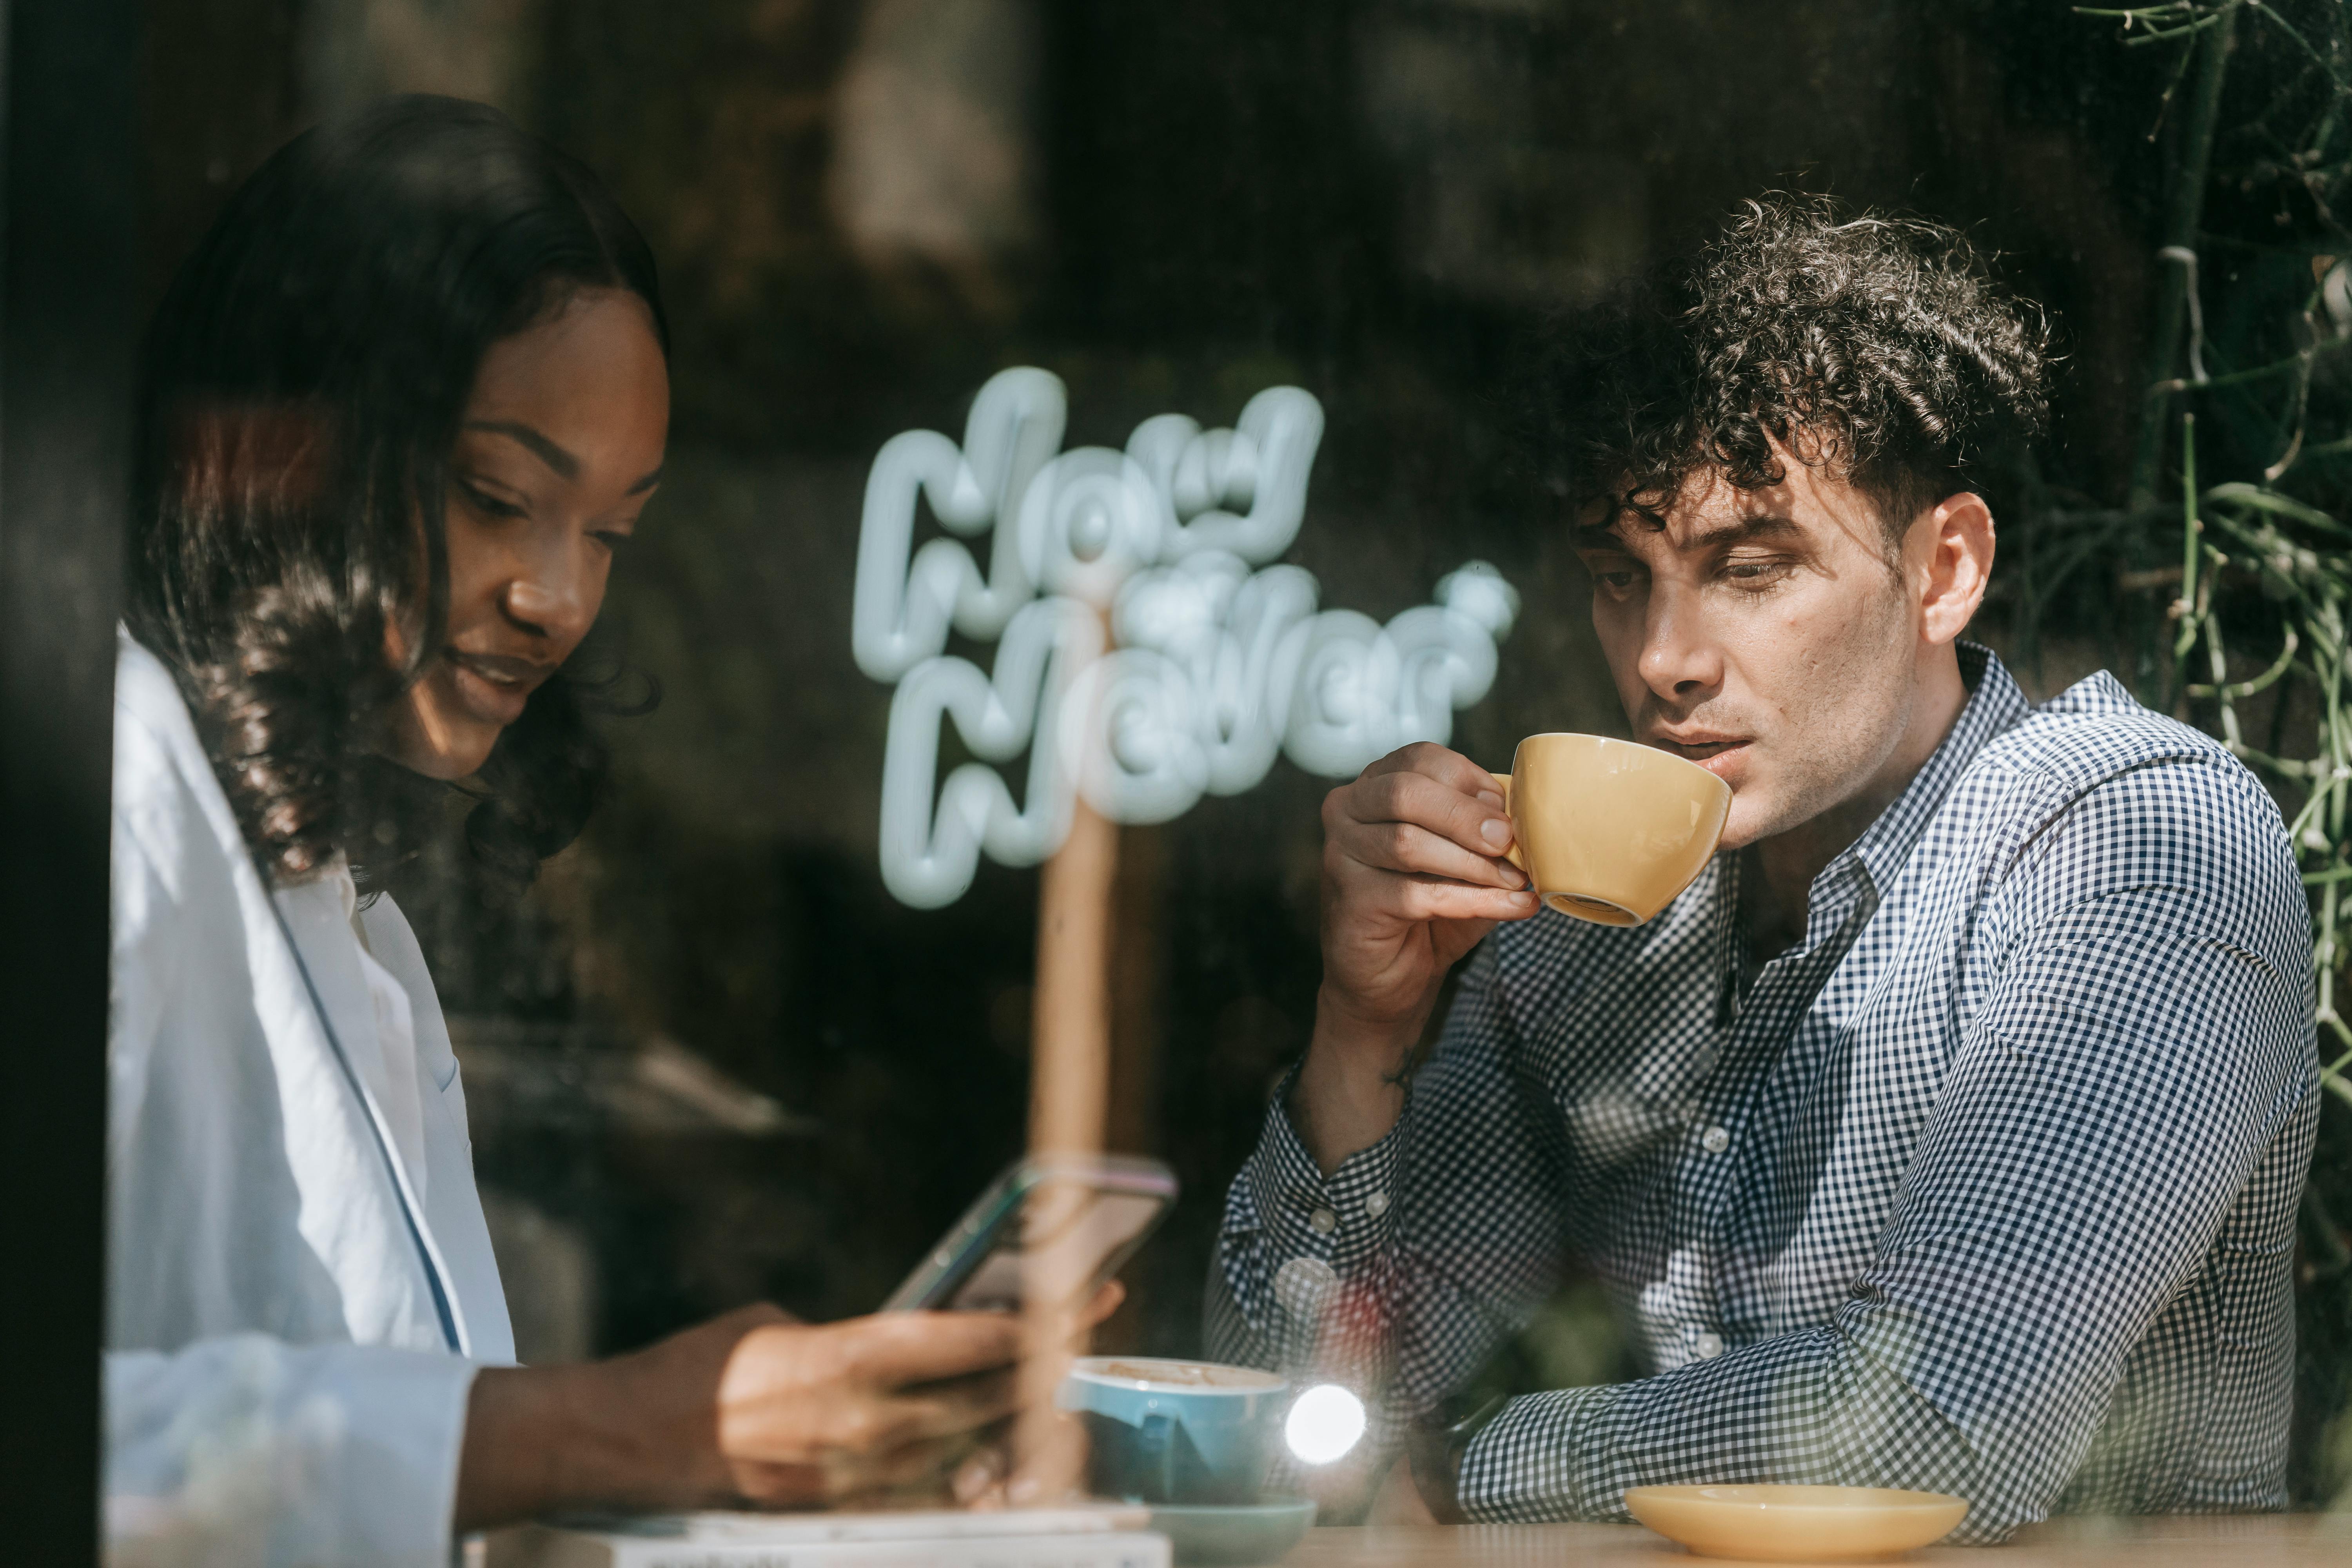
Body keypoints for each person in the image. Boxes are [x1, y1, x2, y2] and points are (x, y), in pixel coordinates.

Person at [1207, 195, 2319, 1541]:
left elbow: (1945, 1422)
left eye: (1750, 566)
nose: (1664, 658)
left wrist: (1466, 1463)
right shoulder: (1591, 919)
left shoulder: (2133, 844)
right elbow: (1285, 1427)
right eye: (1624, 578)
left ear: (1946, 570)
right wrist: (1359, 1032)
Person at [106, 96, 1080, 1566]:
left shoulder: (348, 921)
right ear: (293, 450)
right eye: (499, 497)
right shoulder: (111, 776)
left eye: (613, 534)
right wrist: (626, 1427)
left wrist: (787, 1480)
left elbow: (400, 1479)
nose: (560, 599)